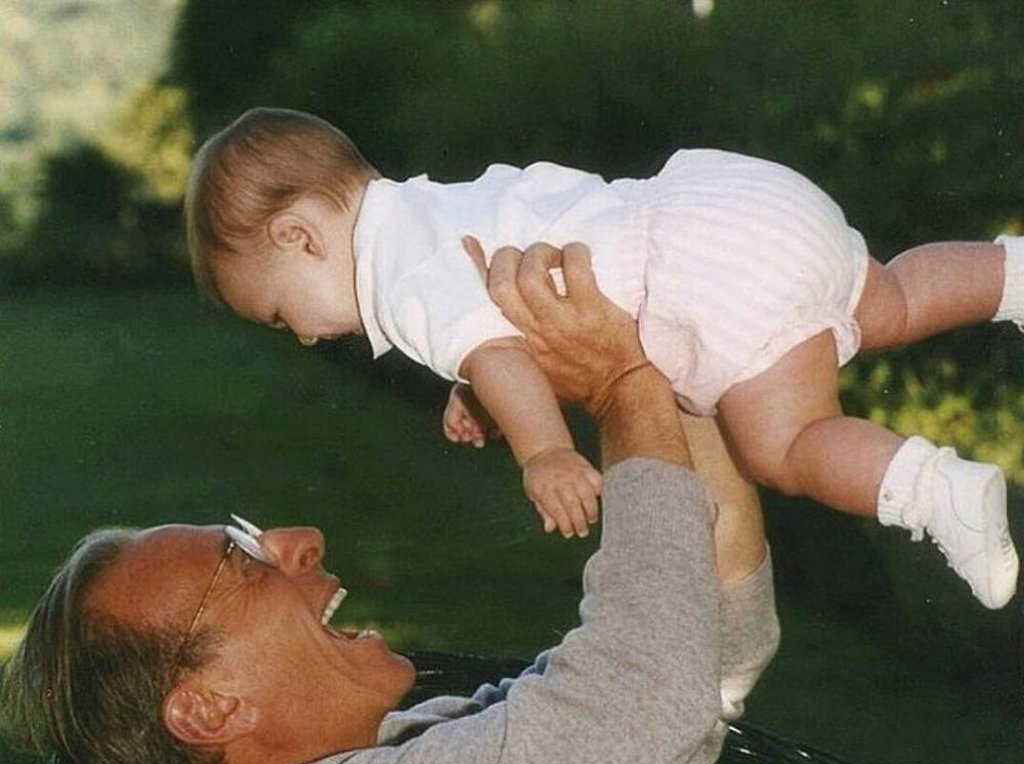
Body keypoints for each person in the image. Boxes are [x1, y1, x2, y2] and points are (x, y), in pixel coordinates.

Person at [0, 244, 896, 764]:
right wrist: (621, 386)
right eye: (241, 559)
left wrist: (677, 391)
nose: (298, 539)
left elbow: (695, 669)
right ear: (207, 708)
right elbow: (646, 694)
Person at [185, 106, 1019, 609]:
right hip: (732, 201)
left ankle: (938, 490)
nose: (301, 335)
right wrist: (474, 385)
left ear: (298, 237)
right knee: (891, 302)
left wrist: (545, 453)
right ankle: (1009, 275)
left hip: (702, 274)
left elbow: (499, 354)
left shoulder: (398, 282)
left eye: (280, 314)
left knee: (787, 445)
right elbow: (496, 330)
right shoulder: (426, 207)